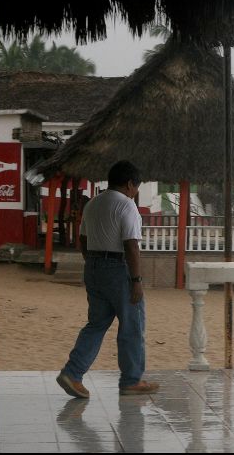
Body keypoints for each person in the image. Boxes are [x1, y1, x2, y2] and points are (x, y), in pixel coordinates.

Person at [56, 160, 159, 398]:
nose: (135, 192)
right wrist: (136, 280)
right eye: (136, 187)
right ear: (130, 184)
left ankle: (72, 373)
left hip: (93, 266)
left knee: (97, 324)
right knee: (132, 326)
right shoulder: (127, 206)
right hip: (118, 269)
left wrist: (93, 262)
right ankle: (131, 380)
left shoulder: (93, 203)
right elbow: (131, 246)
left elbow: (82, 238)